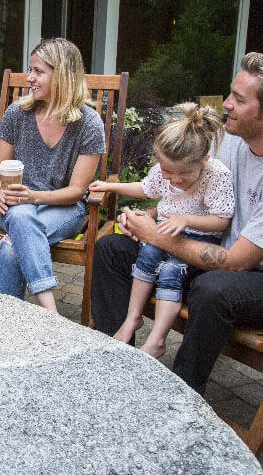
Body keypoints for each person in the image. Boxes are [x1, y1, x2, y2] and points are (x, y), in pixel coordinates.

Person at [91, 51, 263, 395]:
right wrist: (151, 217)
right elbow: (188, 191)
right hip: (208, 254)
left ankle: (181, 395)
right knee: (113, 248)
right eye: (230, 93)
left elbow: (237, 263)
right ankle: (118, 364)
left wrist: (157, 237)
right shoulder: (227, 139)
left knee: (213, 290)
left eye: (238, 98)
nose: (226, 104)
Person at [89, 103, 234, 358]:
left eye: (184, 175)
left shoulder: (216, 174)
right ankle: (132, 319)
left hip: (197, 242)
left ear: (205, 161)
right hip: (165, 231)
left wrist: (187, 220)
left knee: (170, 271)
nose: (175, 180)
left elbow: (222, 219)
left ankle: (157, 339)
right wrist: (112, 187)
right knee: (146, 256)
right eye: (167, 171)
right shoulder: (163, 171)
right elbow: (145, 189)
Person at [0, 38, 105, 312]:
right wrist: (0, 193)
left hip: (64, 207)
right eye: (31, 70)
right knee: (19, 216)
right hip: (14, 203)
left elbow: (78, 190)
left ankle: (3, 323)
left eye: (38, 71)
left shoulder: (88, 123)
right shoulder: (18, 113)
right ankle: (49, 313)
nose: (29, 78)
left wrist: (33, 196)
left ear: (63, 75)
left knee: (11, 245)